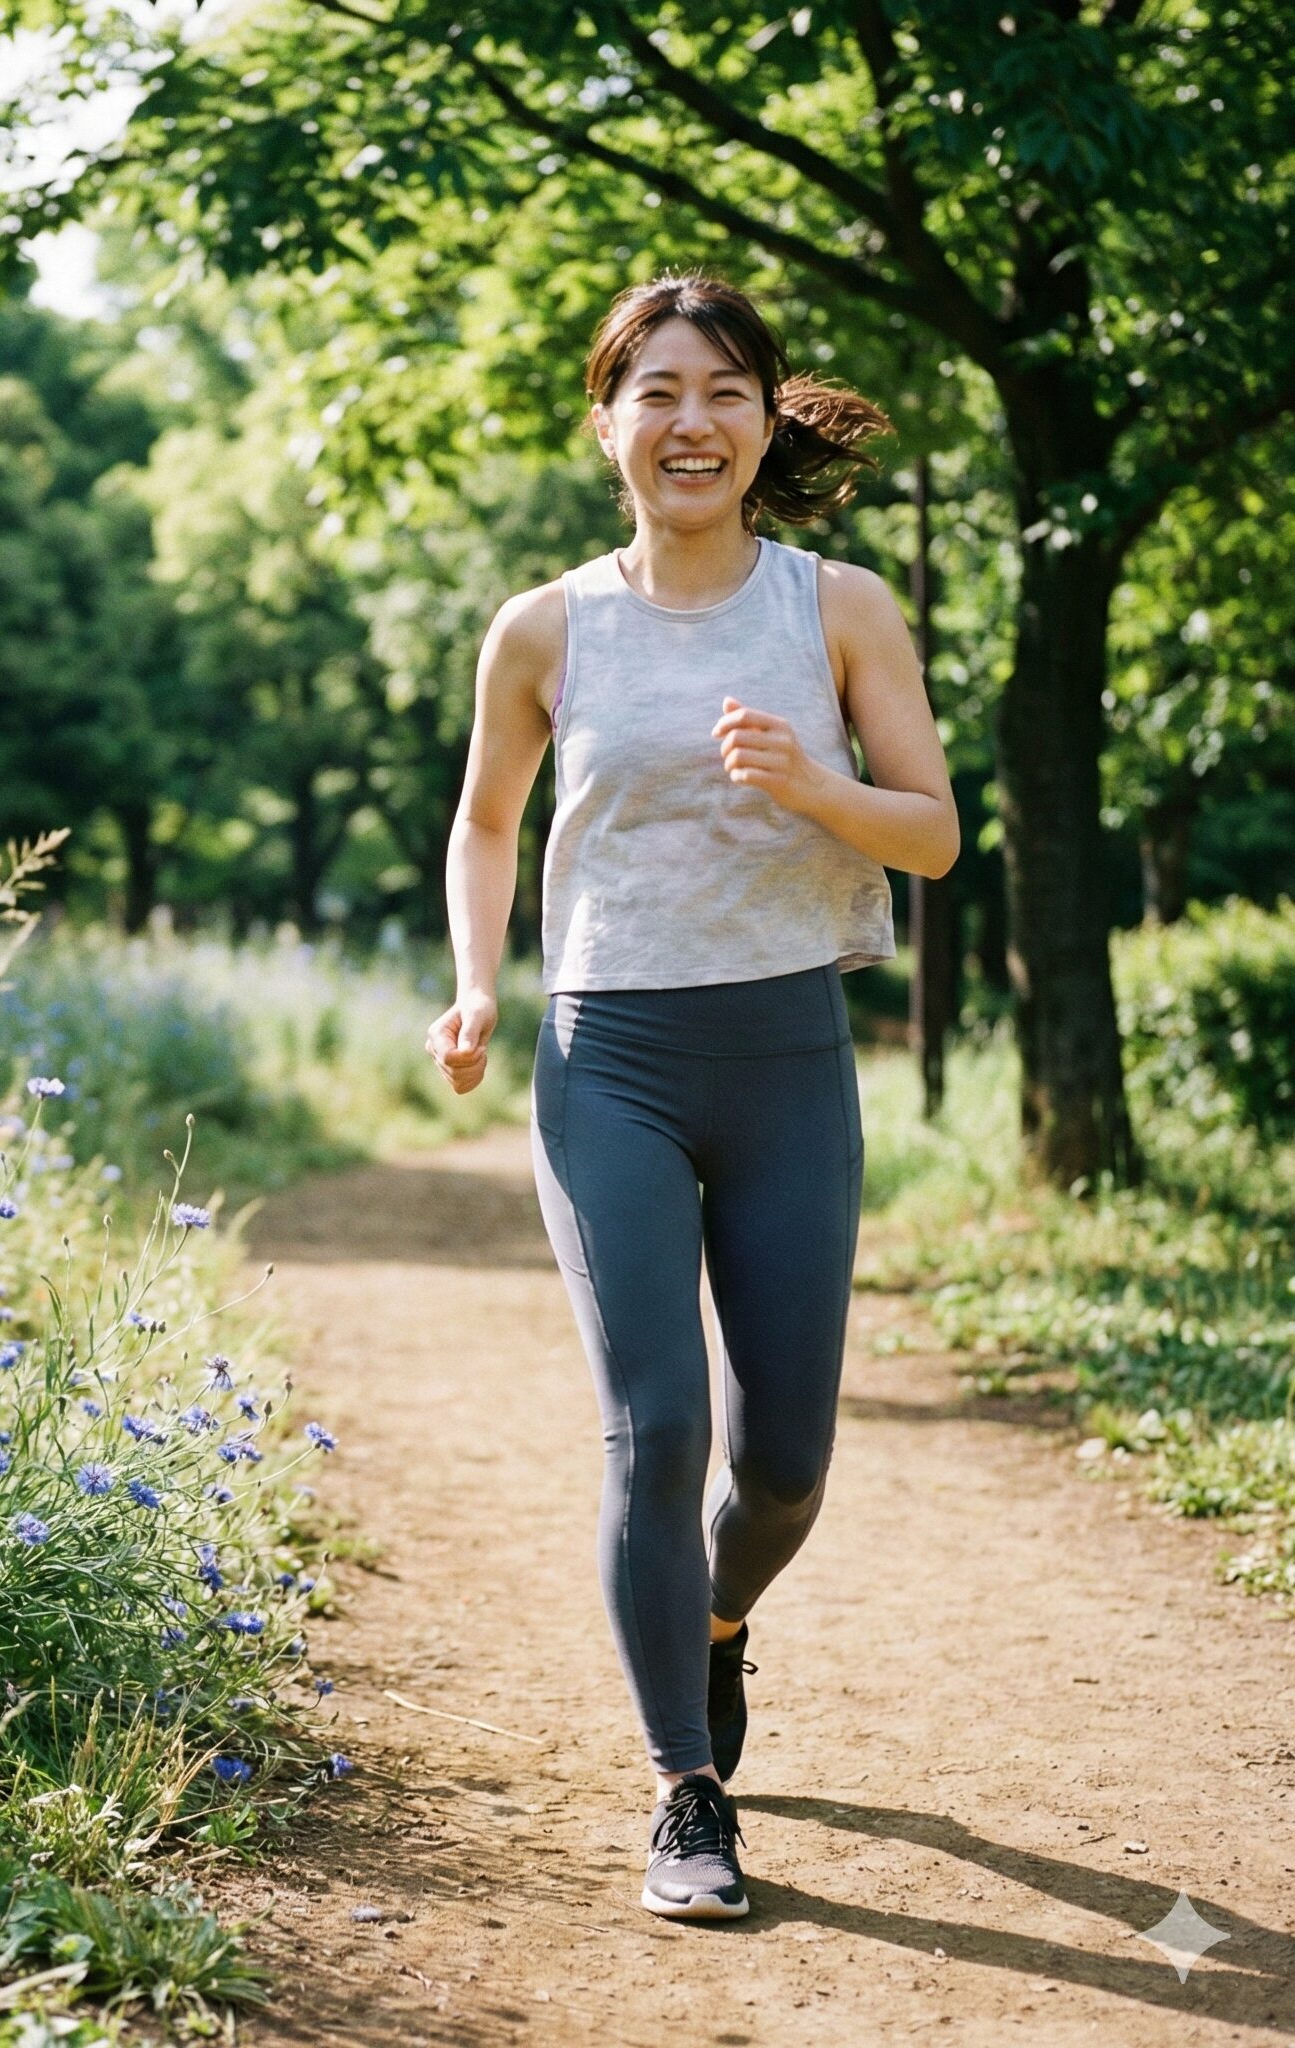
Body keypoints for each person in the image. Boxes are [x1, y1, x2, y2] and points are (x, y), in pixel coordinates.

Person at [424, 270, 959, 1922]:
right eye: (657, 390)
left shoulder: (839, 607)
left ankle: (715, 1619)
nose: (692, 421)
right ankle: (685, 1789)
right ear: (609, 426)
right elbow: (488, 822)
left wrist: (817, 787)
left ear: (763, 418)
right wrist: (476, 979)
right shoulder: (546, 627)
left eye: (726, 391)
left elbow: (933, 832)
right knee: (656, 1429)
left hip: (791, 1056)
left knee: (782, 1464)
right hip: (616, 1062)